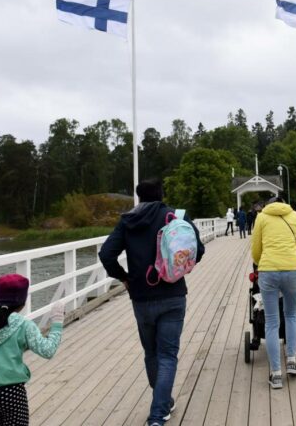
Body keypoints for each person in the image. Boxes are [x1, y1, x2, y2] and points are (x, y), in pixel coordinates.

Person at [99, 179, 205, 426]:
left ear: (138, 196)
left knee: (152, 353)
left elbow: (106, 254)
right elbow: (198, 250)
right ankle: (158, 413)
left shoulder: (127, 221)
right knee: (168, 355)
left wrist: (124, 278)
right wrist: (179, 268)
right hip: (173, 294)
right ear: (161, 194)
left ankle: (163, 404)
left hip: (141, 296)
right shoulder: (176, 216)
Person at [0, 274, 65, 426]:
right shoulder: (24, 325)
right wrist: (57, 323)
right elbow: (47, 350)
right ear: (23, 301)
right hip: (12, 393)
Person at [250, 196, 296, 389]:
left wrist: (262, 262)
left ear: (268, 204)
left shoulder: (262, 217)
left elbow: (256, 250)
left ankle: (276, 374)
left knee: (272, 321)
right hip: (293, 269)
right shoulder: (295, 216)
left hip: (269, 271)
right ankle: (291, 360)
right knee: (291, 314)